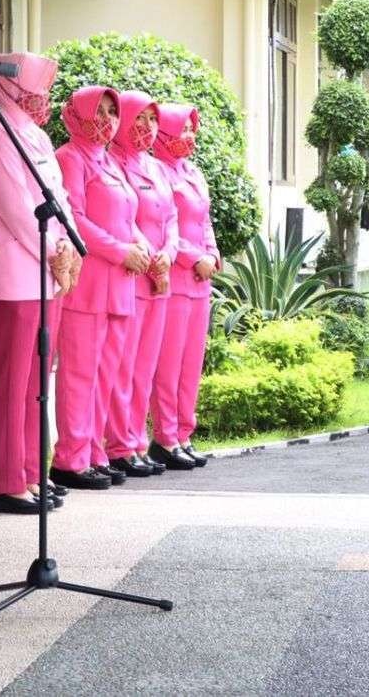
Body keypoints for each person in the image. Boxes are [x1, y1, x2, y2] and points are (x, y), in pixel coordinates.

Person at [0, 52, 79, 514]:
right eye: (33, 88)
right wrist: (54, 252)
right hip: (14, 275)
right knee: (12, 379)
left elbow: (61, 197)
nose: (41, 98)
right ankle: (3, 479)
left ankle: (33, 471)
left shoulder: (33, 135)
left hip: (47, 274)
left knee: (38, 380)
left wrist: (69, 246)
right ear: (9, 88)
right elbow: (17, 207)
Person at [53, 87, 151, 490]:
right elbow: (74, 218)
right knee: (79, 375)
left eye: (113, 112)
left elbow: (128, 217)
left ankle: (93, 451)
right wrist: (120, 251)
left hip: (119, 287)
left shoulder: (108, 161)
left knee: (105, 374)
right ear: (77, 114)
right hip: (89, 283)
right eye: (100, 111)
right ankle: (70, 459)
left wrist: (140, 244)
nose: (109, 119)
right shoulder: (70, 158)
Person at [106, 91, 191, 474]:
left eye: (151, 120)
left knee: (145, 367)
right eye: (138, 119)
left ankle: (137, 440)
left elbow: (171, 217)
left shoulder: (154, 166)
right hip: (132, 275)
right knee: (122, 367)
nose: (145, 128)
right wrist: (146, 250)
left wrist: (169, 253)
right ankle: (119, 443)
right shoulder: (113, 162)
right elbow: (123, 218)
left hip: (160, 277)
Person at [150, 103, 218, 467]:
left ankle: (184, 434)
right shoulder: (157, 170)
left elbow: (204, 220)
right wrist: (195, 258)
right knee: (169, 363)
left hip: (200, 281)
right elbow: (165, 226)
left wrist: (213, 251)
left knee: (191, 363)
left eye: (192, 128)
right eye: (182, 129)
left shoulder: (192, 171)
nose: (188, 136)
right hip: (176, 278)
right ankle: (165, 436)